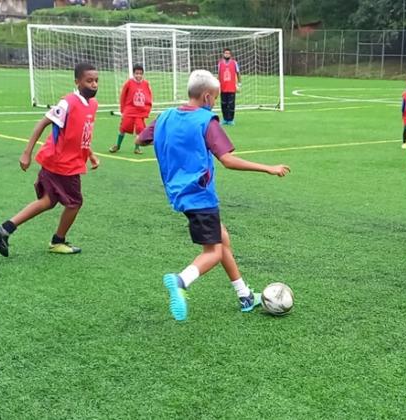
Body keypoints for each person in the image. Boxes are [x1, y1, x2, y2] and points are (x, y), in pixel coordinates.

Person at [136, 70, 290, 321]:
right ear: (207, 96)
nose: (215, 102)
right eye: (215, 98)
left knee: (223, 238)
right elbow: (227, 160)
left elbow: (141, 139)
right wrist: (268, 168)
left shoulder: (165, 117)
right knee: (214, 251)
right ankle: (181, 281)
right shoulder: (206, 121)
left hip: (179, 192)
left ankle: (244, 296)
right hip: (200, 194)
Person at [0, 63, 100, 257]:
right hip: (62, 163)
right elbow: (43, 123)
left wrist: (89, 154)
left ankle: (4, 229)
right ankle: (58, 241)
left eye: (96, 80)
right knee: (74, 203)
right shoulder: (68, 102)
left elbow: (80, 134)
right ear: (77, 82)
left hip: (63, 161)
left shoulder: (93, 105)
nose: (94, 85)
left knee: (48, 201)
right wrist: (26, 152)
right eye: (89, 81)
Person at [109, 64, 152, 155]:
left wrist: (147, 109)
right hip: (129, 110)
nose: (138, 76)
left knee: (140, 128)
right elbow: (123, 96)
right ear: (133, 74)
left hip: (140, 112)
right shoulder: (129, 83)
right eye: (136, 73)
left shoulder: (146, 84)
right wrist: (122, 109)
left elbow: (148, 97)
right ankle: (117, 145)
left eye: (140, 73)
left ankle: (137, 148)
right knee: (123, 127)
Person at [217, 48, 240, 125]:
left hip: (231, 88)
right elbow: (219, 74)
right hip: (223, 87)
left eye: (228, 53)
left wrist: (239, 83)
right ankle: (225, 119)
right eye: (225, 53)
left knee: (231, 104)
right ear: (223, 54)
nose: (227, 54)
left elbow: (238, 73)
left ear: (230, 55)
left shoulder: (234, 63)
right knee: (223, 104)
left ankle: (230, 120)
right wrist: (217, 84)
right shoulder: (220, 63)